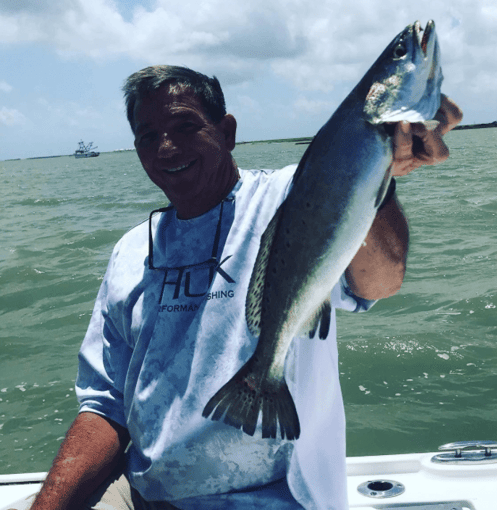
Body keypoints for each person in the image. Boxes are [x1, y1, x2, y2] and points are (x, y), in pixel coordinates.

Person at [12, 65, 462, 510]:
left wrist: (382, 171)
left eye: (185, 126)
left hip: (274, 497)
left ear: (226, 132)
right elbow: (105, 407)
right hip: (143, 493)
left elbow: (379, 281)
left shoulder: (290, 195)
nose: (166, 147)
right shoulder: (131, 253)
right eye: (148, 136)